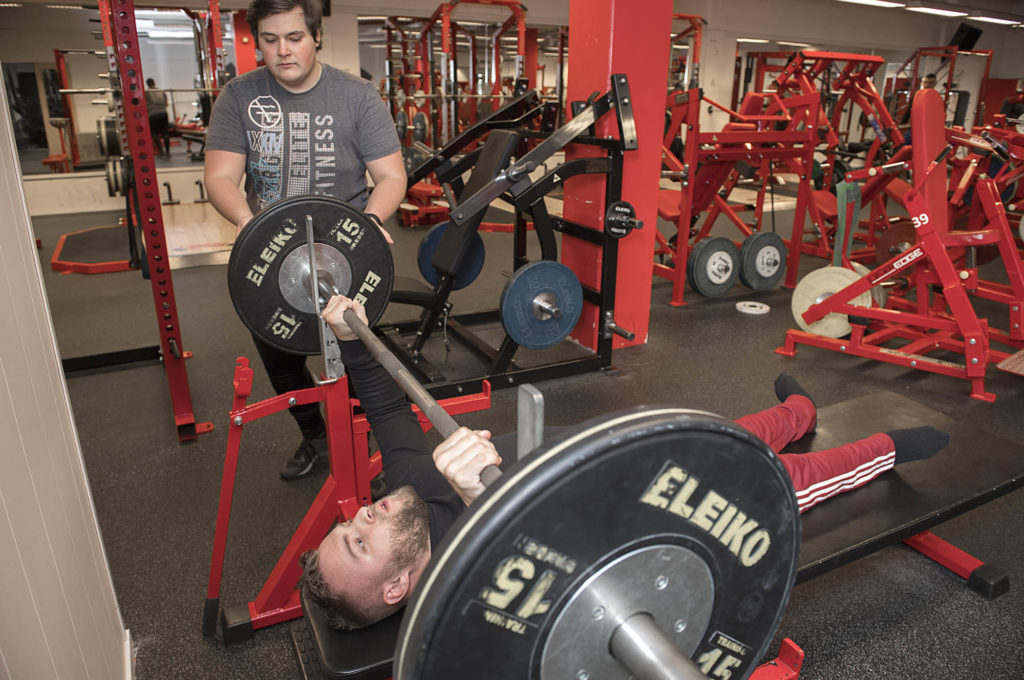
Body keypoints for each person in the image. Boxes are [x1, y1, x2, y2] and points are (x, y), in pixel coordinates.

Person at [299, 296, 952, 630]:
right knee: (785, 481)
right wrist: (483, 502)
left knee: (728, 430)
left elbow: (386, 409)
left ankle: (798, 415)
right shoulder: (471, 596)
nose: (362, 511)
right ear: (396, 588)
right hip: (665, 513)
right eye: (358, 541)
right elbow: (573, 574)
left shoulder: (408, 488)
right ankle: (887, 450)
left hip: (627, 448)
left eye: (347, 524)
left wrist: (353, 333)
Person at [204, 0, 407, 480]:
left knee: (357, 352)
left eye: (294, 37)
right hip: (273, 251)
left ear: (315, 35)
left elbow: (391, 176)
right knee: (279, 353)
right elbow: (220, 176)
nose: (283, 51)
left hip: (345, 249)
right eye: (270, 40)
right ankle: (315, 438)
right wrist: (244, 220)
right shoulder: (239, 96)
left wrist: (373, 219)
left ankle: (364, 448)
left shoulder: (357, 96)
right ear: (258, 41)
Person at [145, 78, 171, 159]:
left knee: (154, 134)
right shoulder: (161, 91)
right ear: (154, 83)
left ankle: (161, 152)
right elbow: (166, 103)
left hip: (152, 115)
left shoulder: (146, 93)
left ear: (147, 84)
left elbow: (144, 105)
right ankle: (168, 152)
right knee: (165, 133)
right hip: (163, 113)